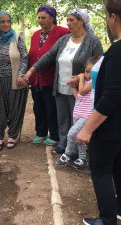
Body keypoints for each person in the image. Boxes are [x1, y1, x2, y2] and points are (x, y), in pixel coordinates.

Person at [22, 8, 103, 154]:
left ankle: (77, 150)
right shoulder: (64, 39)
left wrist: (81, 77)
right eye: (67, 20)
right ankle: (64, 143)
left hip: (80, 91)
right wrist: (30, 72)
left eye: (71, 20)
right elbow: (48, 56)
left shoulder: (92, 41)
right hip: (60, 87)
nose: (68, 23)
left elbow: (99, 67)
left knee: (77, 120)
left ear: (81, 21)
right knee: (62, 118)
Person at [77, 1, 121, 224]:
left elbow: (111, 96)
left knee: (102, 168)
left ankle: (107, 220)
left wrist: (87, 129)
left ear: (113, 17)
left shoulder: (116, 52)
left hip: (111, 125)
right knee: (119, 164)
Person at [0, 10, 28, 151]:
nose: (6, 24)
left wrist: (21, 74)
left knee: (15, 109)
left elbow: (24, 57)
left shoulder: (16, 37)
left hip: (15, 80)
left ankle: (13, 136)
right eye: (2, 21)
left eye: (8, 21)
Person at [28, 6, 69, 146]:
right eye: (38, 17)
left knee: (51, 107)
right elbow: (32, 54)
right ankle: (40, 132)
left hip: (51, 78)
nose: (40, 20)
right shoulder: (35, 34)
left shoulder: (62, 32)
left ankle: (55, 134)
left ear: (52, 18)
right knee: (38, 107)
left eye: (43, 18)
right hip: (35, 79)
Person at [56, 57, 98, 169]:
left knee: (71, 133)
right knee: (80, 138)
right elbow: (79, 98)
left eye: (91, 72)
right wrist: (73, 87)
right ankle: (82, 158)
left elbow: (83, 92)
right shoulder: (85, 82)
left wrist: (80, 78)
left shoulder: (93, 82)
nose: (88, 74)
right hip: (78, 114)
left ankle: (68, 154)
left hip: (87, 116)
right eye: (86, 71)